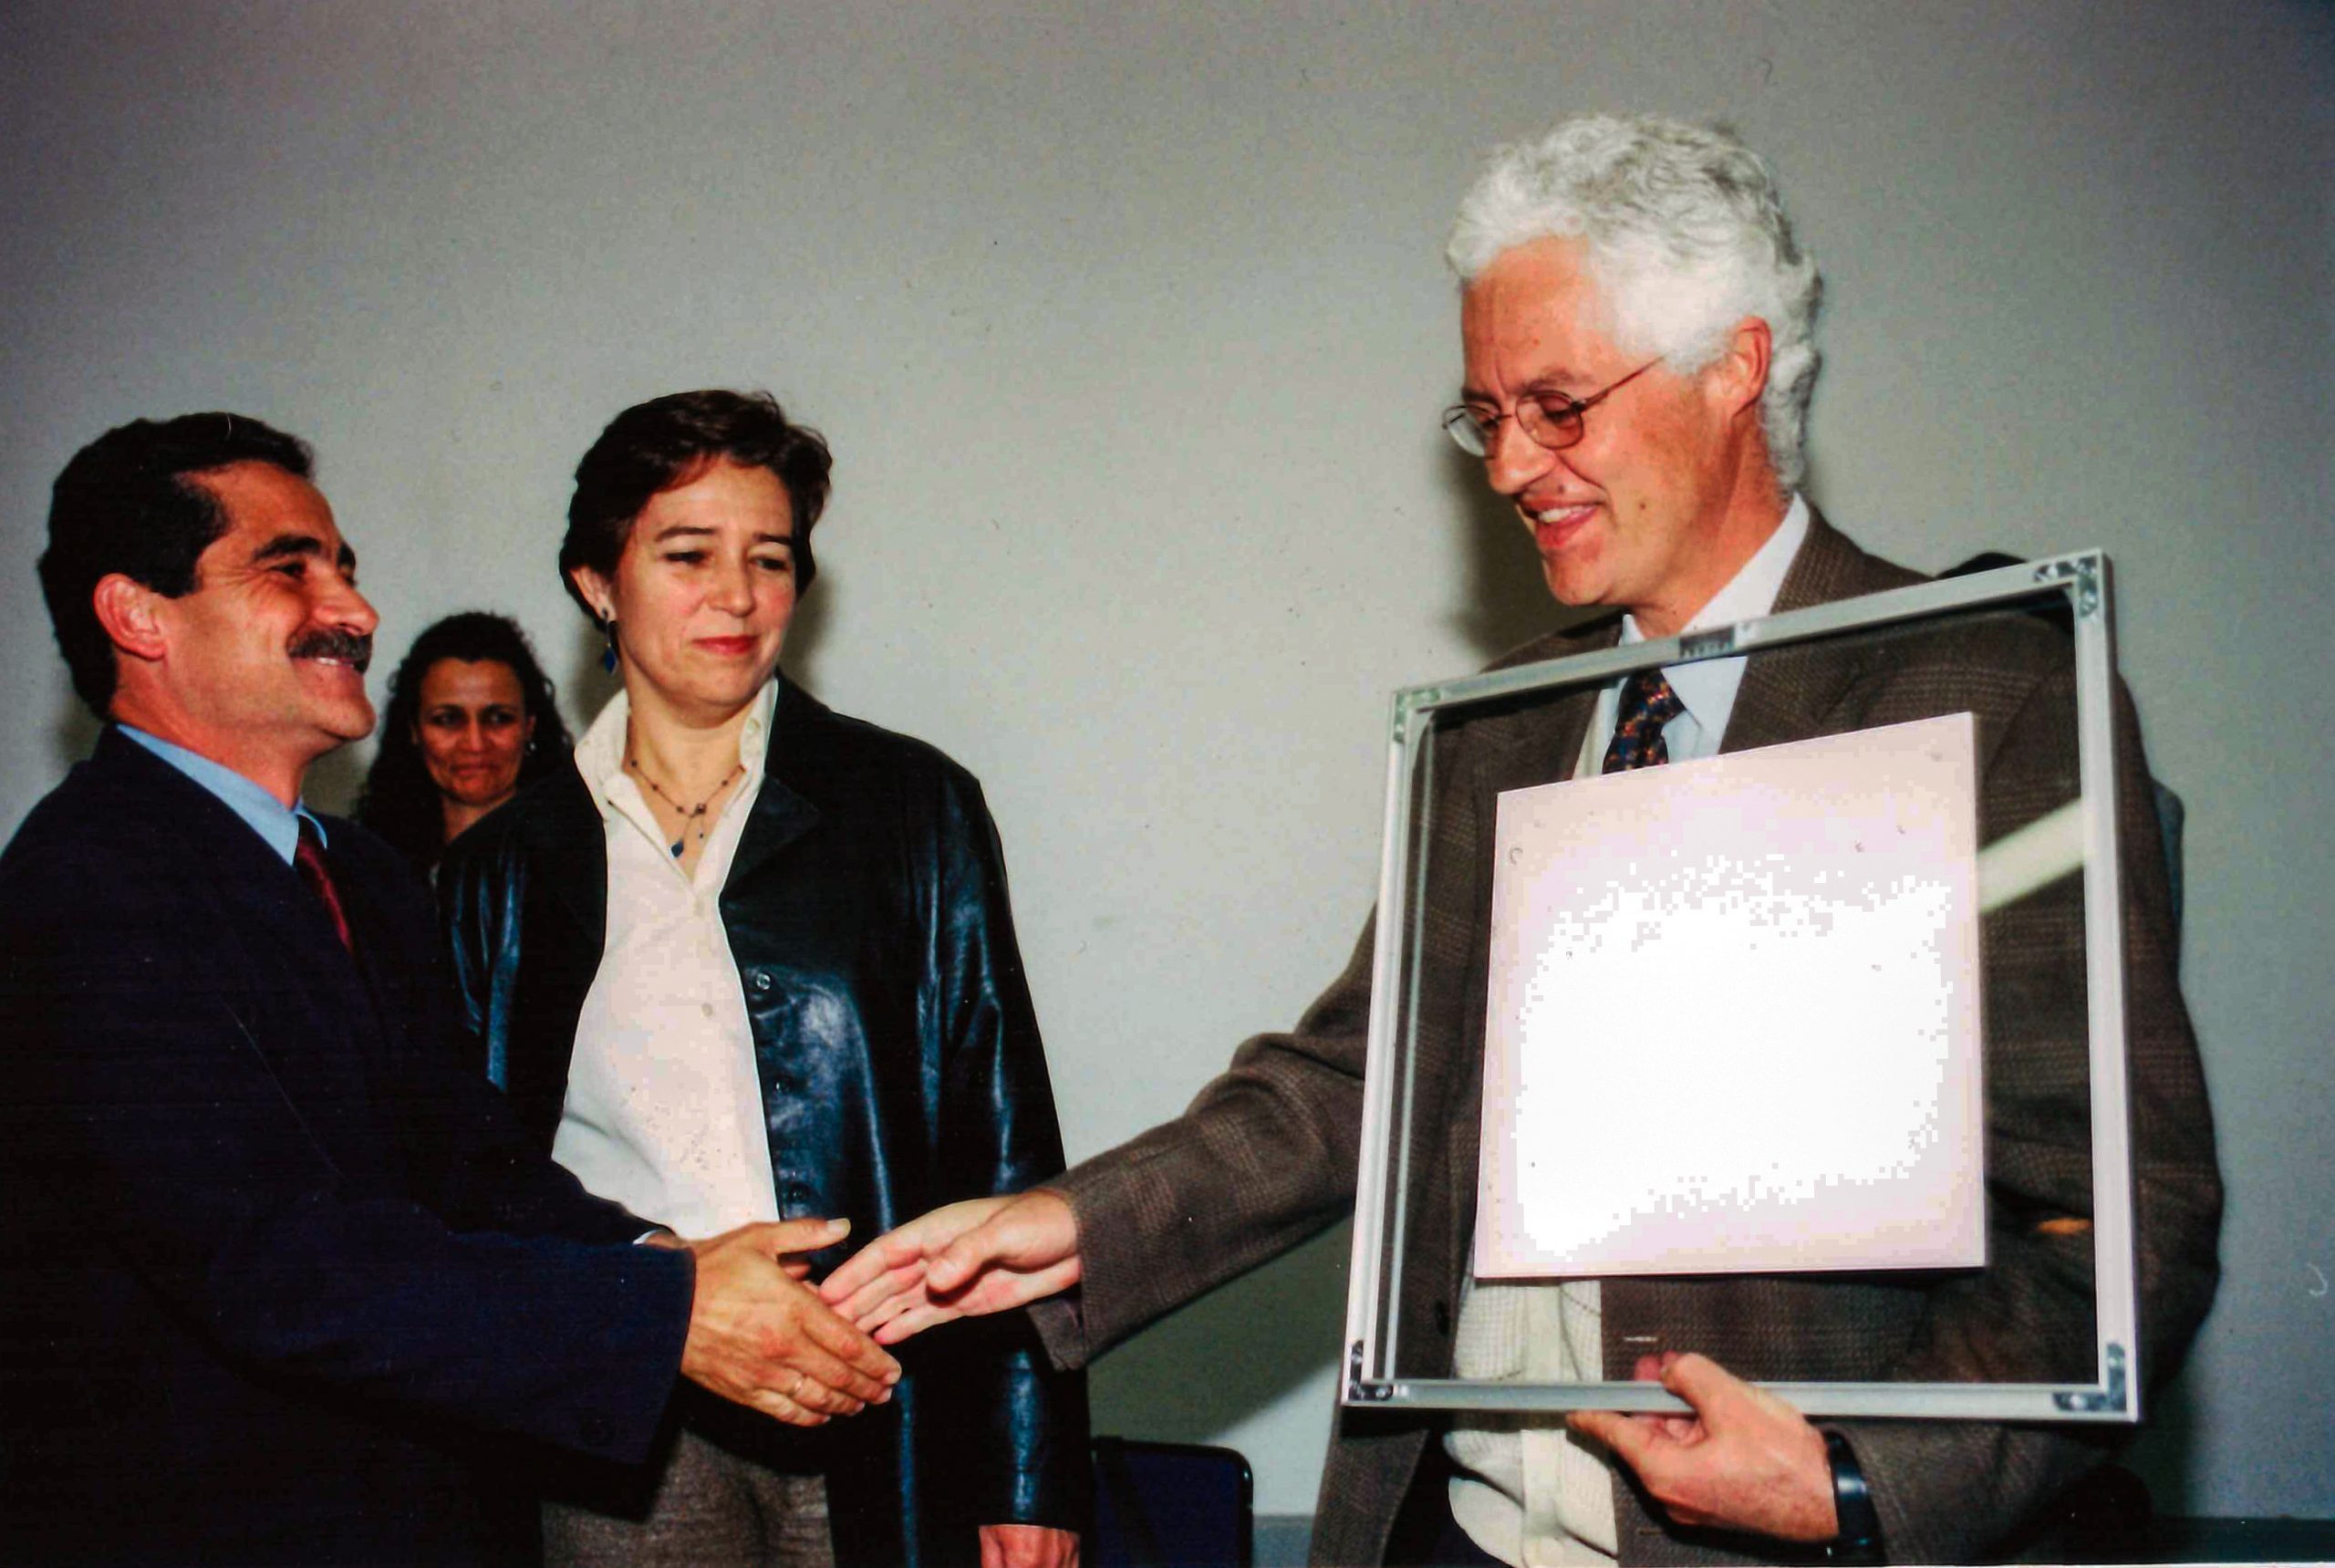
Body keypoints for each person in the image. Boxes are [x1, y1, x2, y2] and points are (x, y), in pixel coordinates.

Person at [820, 115, 2223, 1566]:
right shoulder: (1492, 724)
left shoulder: (1980, 686)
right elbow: (1356, 1081)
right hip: (1450, 1529)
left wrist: (1857, 1479)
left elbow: (2121, 1211)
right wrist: (1074, 1221)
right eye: (1486, 416)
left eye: (1557, 404)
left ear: (1735, 367)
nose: (1509, 466)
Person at [0, 411, 903, 1565]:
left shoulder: (365, 877)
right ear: (137, 615)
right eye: (291, 570)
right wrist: (667, 1320)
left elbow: (469, 1166)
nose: (356, 613)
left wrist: (659, 1262)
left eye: (347, 569)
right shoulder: (83, 889)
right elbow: (272, 1262)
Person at [436, 389, 1086, 1568]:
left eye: (770, 558)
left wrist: (1029, 1466)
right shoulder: (501, 869)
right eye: (688, 553)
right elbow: (465, 1184)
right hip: (621, 1416)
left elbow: (1004, 1136)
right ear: (597, 579)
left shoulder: (912, 807)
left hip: (872, 1383)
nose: (736, 595)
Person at [359, 610, 574, 878]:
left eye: (498, 719)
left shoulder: (579, 862)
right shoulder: (368, 871)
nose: (475, 744)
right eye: (448, 719)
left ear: (529, 727)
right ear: (414, 730)